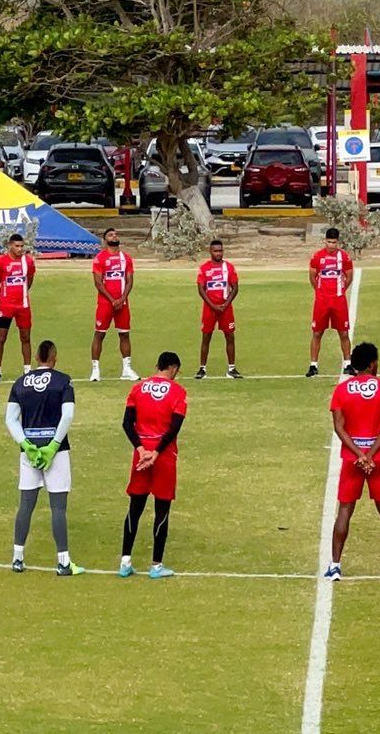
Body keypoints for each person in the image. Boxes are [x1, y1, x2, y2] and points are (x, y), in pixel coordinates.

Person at [325, 342, 380, 581]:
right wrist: (370, 455)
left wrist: (359, 455)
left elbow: (339, 428)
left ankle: (335, 566)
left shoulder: (341, 390)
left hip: (352, 458)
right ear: (372, 363)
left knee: (345, 511)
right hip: (378, 457)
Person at [7, 339, 79, 575]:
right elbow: (67, 416)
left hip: (29, 451)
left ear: (37, 357)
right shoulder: (63, 381)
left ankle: (17, 558)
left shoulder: (20, 383)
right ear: (54, 357)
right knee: (58, 507)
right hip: (56, 451)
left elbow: (10, 419)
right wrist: (54, 445)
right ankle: (63, 562)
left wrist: (26, 445)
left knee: (26, 504)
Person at [120, 351, 189, 579]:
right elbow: (174, 427)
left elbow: (127, 423)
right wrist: (157, 452)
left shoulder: (138, 388)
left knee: (134, 508)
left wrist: (141, 450)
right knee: (162, 510)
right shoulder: (178, 392)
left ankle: (125, 561)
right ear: (172, 368)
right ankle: (156, 565)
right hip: (164, 457)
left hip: (140, 457)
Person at [86, 228, 136, 383]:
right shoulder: (100, 258)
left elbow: (129, 280)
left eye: (115, 234)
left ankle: (126, 369)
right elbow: (98, 282)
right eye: (110, 235)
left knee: (124, 334)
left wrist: (122, 299)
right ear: (105, 240)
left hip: (123, 303)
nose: (114, 236)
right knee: (99, 334)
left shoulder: (126, 258)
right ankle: (95, 370)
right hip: (105, 304)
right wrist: (112, 300)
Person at [307, 228, 355, 378]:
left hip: (339, 300)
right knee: (317, 332)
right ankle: (313, 365)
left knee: (343, 332)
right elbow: (312, 277)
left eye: (334, 242)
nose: (331, 245)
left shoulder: (345, 257)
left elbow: (349, 277)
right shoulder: (317, 257)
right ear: (325, 241)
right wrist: (320, 292)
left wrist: (340, 291)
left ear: (338, 242)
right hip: (322, 301)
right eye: (329, 242)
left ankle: (348, 364)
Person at [0, 233, 37, 384]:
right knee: (1, 338)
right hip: (6, 306)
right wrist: (3, 298)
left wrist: (22, 293)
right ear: (10, 246)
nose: (20, 249)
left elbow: (30, 279)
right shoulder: (1, 262)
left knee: (25, 337)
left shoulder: (28, 262)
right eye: (17, 246)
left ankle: (27, 370)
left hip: (23, 306)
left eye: (22, 246)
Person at [195, 238, 243, 379]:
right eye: (215, 251)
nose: (218, 253)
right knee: (206, 337)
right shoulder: (204, 268)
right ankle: (202, 369)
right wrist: (213, 305)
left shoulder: (229, 267)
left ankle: (231, 369)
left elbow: (235, 287)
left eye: (220, 251)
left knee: (230, 336)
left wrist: (225, 304)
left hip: (225, 308)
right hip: (210, 308)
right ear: (210, 251)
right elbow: (201, 289)